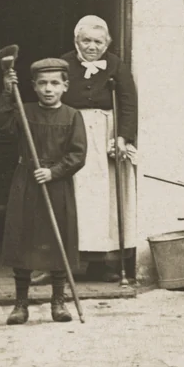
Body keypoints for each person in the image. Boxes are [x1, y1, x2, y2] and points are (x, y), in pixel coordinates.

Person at [0, 58, 87, 324]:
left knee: (58, 238)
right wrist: (7, 93)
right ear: (33, 86)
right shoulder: (23, 110)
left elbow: (78, 154)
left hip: (57, 184)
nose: (48, 89)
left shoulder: (73, 115)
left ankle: (58, 303)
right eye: (42, 83)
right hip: (26, 181)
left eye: (54, 83)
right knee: (23, 238)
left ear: (65, 85)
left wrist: (54, 172)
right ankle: (21, 304)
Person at [60, 15, 138, 282]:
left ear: (107, 44)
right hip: (73, 130)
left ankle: (103, 264)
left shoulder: (116, 64)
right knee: (73, 197)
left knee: (105, 200)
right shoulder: (64, 63)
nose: (91, 46)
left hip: (106, 133)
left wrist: (123, 138)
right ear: (76, 41)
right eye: (86, 41)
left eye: (97, 41)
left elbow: (128, 102)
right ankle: (58, 265)